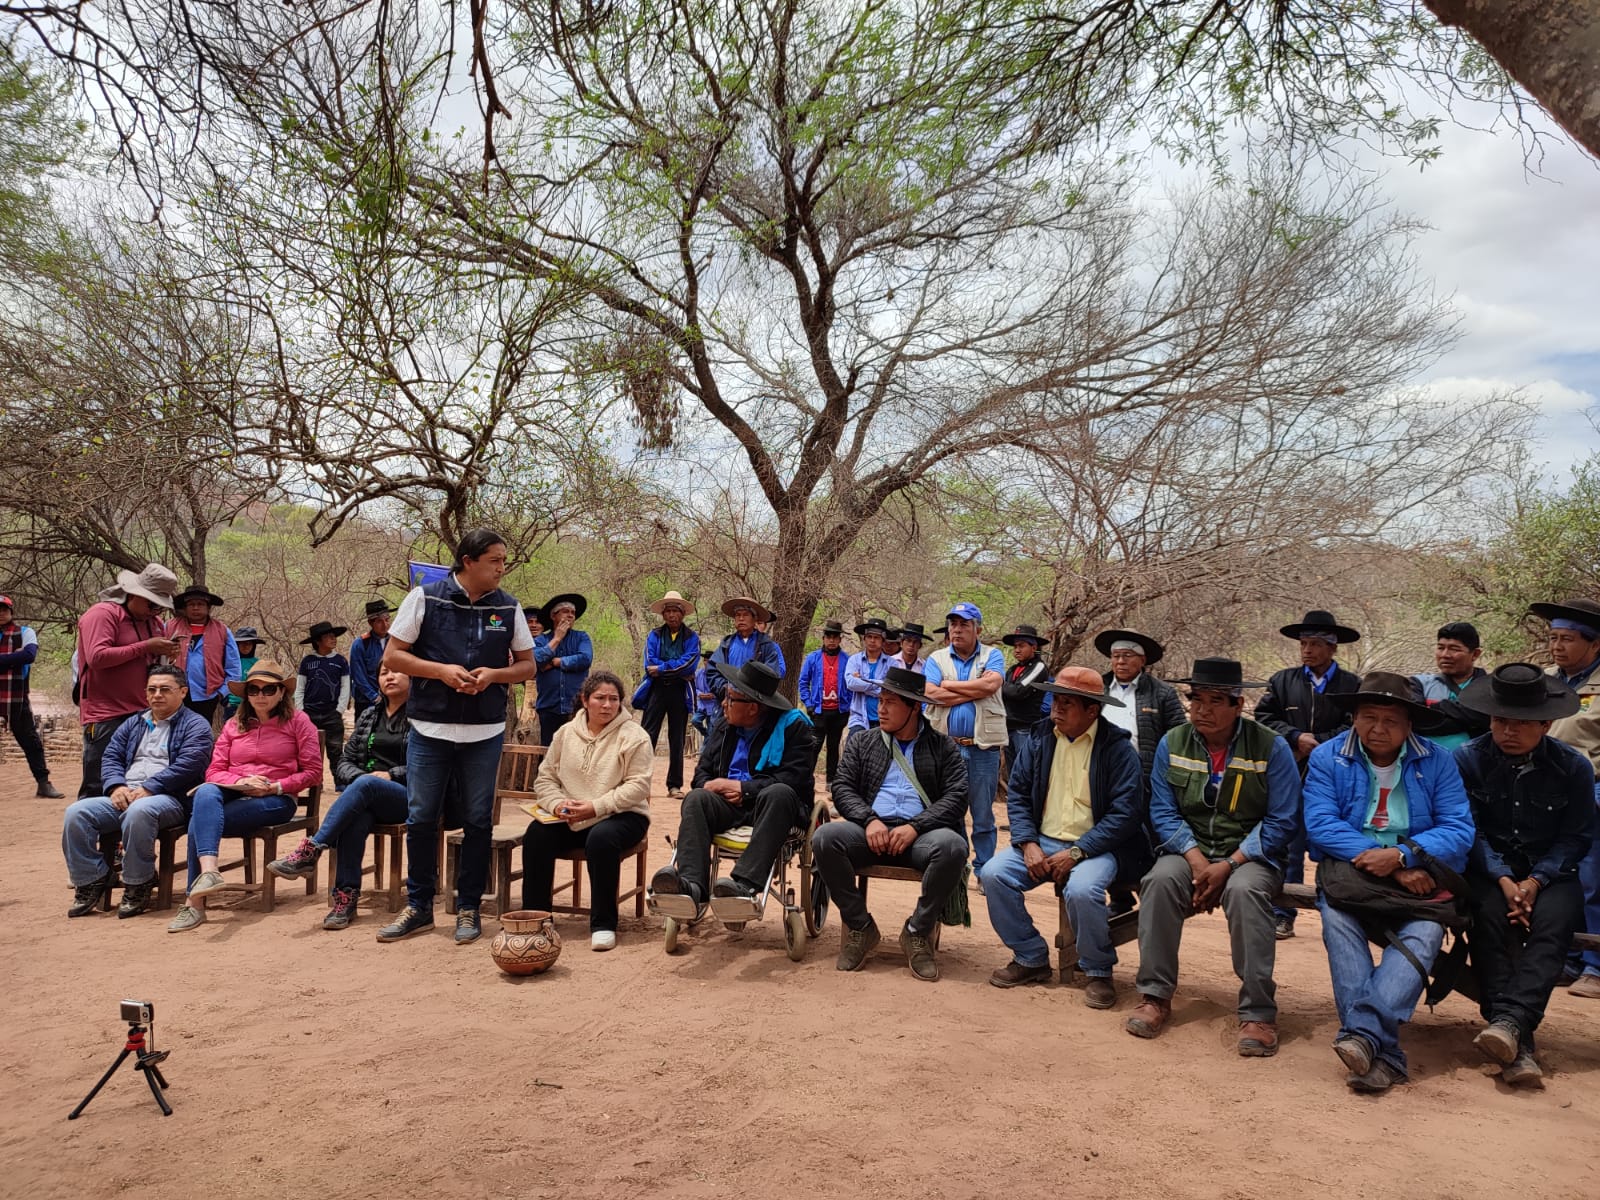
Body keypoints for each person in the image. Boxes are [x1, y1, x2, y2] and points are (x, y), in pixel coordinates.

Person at [1302, 672, 1475, 1092]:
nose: (1378, 729)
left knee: (1427, 930)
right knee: (1339, 922)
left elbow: (1458, 828)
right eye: (1368, 717)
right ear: (1354, 718)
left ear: (1410, 724)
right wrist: (1391, 864)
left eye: (1391, 720)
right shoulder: (1329, 757)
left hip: (1419, 868)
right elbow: (1320, 824)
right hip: (1352, 869)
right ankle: (1385, 1052)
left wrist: (1404, 853)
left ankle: (1363, 1036)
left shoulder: (1436, 760)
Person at [1126, 657, 1301, 1057]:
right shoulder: (1174, 742)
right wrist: (1196, 860)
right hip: (1189, 851)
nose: (1202, 709)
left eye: (1215, 700)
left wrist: (1230, 863)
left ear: (1238, 704)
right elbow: (1163, 811)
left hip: (1251, 858)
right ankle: (1154, 996)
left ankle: (1258, 1012)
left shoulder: (1271, 747)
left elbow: (1283, 819)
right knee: (1158, 881)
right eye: (1196, 699)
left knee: (1244, 893)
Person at [378, 529, 537, 945]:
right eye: (495, 560)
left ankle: (469, 907)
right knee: (421, 817)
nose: (502, 568)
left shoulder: (509, 607)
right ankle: (419, 907)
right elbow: (393, 655)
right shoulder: (425, 598)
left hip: (485, 730)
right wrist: (441, 671)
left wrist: (494, 676)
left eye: (504, 560)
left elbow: (527, 667)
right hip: (430, 727)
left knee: (478, 819)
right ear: (468, 561)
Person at [1455, 663, 1596, 1085]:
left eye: (1521, 724)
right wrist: (1503, 878)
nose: (1508, 731)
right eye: (1500, 721)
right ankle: (1518, 1040)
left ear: (1546, 723)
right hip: (1490, 872)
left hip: (1552, 873)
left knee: (1553, 927)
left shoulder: (1573, 767)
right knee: (1489, 922)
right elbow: (1469, 831)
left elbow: (1576, 837)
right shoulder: (1467, 759)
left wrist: (1535, 882)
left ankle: (1510, 1027)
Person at [980, 666, 1146, 1006]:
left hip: (1096, 846)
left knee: (1083, 891)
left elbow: (1125, 814)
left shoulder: (1117, 748)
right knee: (994, 875)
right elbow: (1020, 795)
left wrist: (1078, 852)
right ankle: (1030, 957)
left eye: (1067, 703)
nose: (1056, 709)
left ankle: (1097, 970)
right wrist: (1027, 843)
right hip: (1042, 841)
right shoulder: (1040, 738)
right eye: (1055, 699)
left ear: (1092, 710)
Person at [814, 666, 968, 981]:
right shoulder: (863, 742)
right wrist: (869, 820)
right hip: (869, 833)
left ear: (915, 707)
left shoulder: (943, 747)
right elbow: (842, 788)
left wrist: (916, 826)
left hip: (920, 839)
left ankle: (917, 931)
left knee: (953, 847)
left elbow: (956, 797)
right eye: (879, 700)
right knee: (825, 837)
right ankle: (860, 926)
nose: (880, 709)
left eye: (890, 702)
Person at [168, 660, 323, 933]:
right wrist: (240, 780)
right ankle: (209, 874)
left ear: (281, 692)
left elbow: (313, 772)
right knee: (205, 792)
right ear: (246, 694)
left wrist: (274, 786)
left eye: (268, 689)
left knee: (198, 823)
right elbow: (214, 771)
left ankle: (195, 903)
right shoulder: (233, 724)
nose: (260, 696)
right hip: (233, 795)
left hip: (276, 800)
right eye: (253, 690)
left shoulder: (299, 722)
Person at [649, 661, 814, 911]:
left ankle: (743, 886)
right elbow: (702, 773)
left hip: (772, 809)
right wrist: (713, 786)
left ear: (753, 708)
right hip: (728, 806)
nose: (723, 703)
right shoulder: (725, 726)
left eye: (731, 698)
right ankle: (692, 888)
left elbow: (794, 778)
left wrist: (744, 789)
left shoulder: (793, 727)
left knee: (779, 793)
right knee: (696, 798)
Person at [267, 663, 413, 930]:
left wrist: (391, 775)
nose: (389, 677)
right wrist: (362, 779)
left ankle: (313, 848)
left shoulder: (422, 716)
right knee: (355, 817)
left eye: (396, 671)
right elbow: (345, 760)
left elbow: (427, 764)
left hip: (409, 797)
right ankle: (345, 899)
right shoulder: (370, 714)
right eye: (383, 673)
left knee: (365, 789)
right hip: (368, 794)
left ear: (412, 676)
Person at [60, 665, 213, 918]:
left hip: (170, 799)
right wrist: (116, 786)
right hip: (126, 794)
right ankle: (92, 879)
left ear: (183, 692)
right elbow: (111, 757)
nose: (157, 695)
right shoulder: (134, 723)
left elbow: (190, 764)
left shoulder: (196, 725)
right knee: (77, 813)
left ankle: (138, 882)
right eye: (152, 690)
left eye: (165, 689)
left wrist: (150, 787)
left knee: (140, 812)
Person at [522, 671, 653, 950]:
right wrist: (558, 804)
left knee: (602, 839)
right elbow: (545, 778)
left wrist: (596, 807)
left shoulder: (635, 736)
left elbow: (638, 787)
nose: (607, 705)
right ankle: (537, 918)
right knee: (536, 835)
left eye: (614, 699)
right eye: (600, 698)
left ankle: (604, 924)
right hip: (571, 815)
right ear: (585, 700)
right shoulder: (565, 733)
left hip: (623, 815)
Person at [1255, 608, 1362, 939]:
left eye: (1315, 644)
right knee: (1289, 842)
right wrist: (1294, 737)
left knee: (1333, 839)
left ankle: (1342, 911)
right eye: (1304, 643)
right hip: (1289, 771)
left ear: (1332, 647)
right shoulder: (1282, 680)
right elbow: (1262, 717)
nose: (1307, 650)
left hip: (1335, 773)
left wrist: (1321, 744)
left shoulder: (1351, 684)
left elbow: (1355, 724)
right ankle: (1283, 913)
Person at [1527, 597, 1600, 1001]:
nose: (1557, 646)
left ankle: (1596, 965)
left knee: (1593, 880)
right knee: (1560, 877)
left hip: (1592, 797)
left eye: (1567, 639)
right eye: (1553, 637)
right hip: (1546, 796)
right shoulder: (1546, 681)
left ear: (1594, 644)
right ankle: (1568, 958)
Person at [76, 563, 180, 798]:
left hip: (142, 713)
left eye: (159, 606)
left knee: (134, 782)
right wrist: (145, 646)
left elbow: (151, 665)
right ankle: (88, 830)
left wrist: (166, 656)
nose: (154, 611)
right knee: (99, 784)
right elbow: (97, 657)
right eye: (151, 603)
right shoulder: (102, 614)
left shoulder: (153, 623)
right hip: (106, 714)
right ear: (135, 593)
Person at [923, 602, 1007, 880]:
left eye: (964, 624)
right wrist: (974, 690)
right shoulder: (936, 658)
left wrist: (948, 685)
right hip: (946, 748)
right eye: (953, 624)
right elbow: (931, 694)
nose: (957, 630)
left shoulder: (993, 655)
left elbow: (991, 686)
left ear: (977, 629)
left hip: (983, 749)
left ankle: (984, 871)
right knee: (950, 810)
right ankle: (957, 869)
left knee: (982, 814)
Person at [636, 590, 701, 799]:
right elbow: (649, 664)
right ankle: (639, 782)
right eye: (669, 611)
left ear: (682, 614)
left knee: (677, 737)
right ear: (663, 614)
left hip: (679, 691)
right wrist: (674, 668)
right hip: (657, 689)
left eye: (676, 611)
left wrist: (662, 668)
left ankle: (674, 785)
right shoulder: (654, 635)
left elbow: (690, 664)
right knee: (647, 735)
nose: (672, 615)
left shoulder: (692, 637)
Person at [0, 593, 62, 797]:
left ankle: (43, 783)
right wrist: (12, 658)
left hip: (15, 696)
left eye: (4, 610)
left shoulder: (26, 632)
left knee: (30, 740)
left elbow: (29, 655)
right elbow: (21, 656)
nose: (1, 614)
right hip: (9, 690)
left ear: (11, 612)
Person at [163, 585, 241, 725]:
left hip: (207, 696)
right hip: (173, 693)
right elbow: (155, 657)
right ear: (185, 607)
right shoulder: (170, 627)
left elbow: (234, 668)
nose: (196, 608)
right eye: (191, 604)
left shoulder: (222, 631)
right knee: (172, 732)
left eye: (200, 604)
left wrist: (222, 692)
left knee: (200, 735)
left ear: (208, 607)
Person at [1413, 621, 1491, 752]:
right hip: (1424, 766)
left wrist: (1434, 709)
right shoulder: (1419, 684)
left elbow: (1486, 719)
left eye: (1455, 649)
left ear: (1475, 654)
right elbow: (1414, 721)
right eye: (1440, 648)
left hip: (1474, 768)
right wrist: (1470, 721)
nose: (1445, 655)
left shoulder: (1490, 687)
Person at [533, 593, 593, 745]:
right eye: (566, 611)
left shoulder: (582, 637)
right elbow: (537, 659)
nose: (570, 615)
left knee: (576, 751)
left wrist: (556, 662)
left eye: (573, 613)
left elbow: (585, 659)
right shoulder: (540, 640)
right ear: (554, 616)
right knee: (548, 752)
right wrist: (557, 638)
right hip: (548, 706)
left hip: (576, 707)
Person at [798, 619, 852, 786]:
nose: (831, 640)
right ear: (823, 638)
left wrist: (847, 706)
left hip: (839, 712)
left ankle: (831, 781)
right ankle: (807, 780)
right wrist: (809, 704)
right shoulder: (813, 658)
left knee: (834, 747)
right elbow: (803, 682)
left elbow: (851, 685)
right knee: (813, 746)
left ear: (840, 639)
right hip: (818, 712)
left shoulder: (847, 660)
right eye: (828, 636)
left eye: (835, 636)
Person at [998, 623, 1052, 785]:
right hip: (1008, 728)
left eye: (1021, 646)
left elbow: (1018, 692)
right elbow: (1006, 694)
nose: (1017, 650)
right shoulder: (1012, 669)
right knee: (1013, 771)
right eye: (1015, 646)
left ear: (1033, 646)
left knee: (1026, 771)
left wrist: (998, 682)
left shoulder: (1039, 667)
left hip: (1025, 728)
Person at [295, 620, 350, 778]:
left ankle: (339, 782)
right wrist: (301, 712)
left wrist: (340, 709)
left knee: (335, 750)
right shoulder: (308, 662)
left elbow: (345, 686)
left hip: (332, 712)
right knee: (309, 749)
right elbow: (300, 688)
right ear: (318, 641)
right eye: (329, 636)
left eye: (334, 636)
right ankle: (312, 781)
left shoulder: (340, 661)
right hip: (309, 713)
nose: (334, 639)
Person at [706, 597, 785, 699]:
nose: (741, 618)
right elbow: (712, 669)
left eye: (746, 615)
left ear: (755, 619)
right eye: (738, 615)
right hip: (728, 700)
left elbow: (772, 674)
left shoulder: (766, 645)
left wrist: (751, 693)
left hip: (755, 702)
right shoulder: (726, 644)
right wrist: (724, 689)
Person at [844, 617, 893, 732]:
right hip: (859, 718)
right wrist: (880, 683)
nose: (872, 640)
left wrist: (862, 682)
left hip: (884, 719)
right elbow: (850, 684)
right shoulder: (854, 660)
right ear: (864, 639)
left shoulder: (892, 663)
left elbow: (890, 690)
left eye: (876, 638)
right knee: (852, 748)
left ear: (883, 641)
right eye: (869, 637)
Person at [349, 599, 394, 721]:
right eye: (379, 621)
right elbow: (358, 675)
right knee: (365, 736)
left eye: (387, 620)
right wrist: (374, 697)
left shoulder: (396, 642)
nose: (385, 625)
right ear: (370, 623)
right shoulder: (360, 644)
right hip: (366, 701)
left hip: (392, 699)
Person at [225, 626, 263, 717]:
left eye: (249, 643)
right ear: (237, 644)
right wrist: (225, 699)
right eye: (242, 643)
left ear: (253, 645)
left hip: (253, 705)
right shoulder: (229, 661)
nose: (246, 646)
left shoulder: (258, 664)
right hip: (232, 705)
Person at [691, 648, 719, 736]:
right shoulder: (698, 673)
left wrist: (713, 695)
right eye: (705, 660)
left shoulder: (717, 675)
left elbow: (721, 688)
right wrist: (699, 694)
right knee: (695, 720)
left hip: (713, 706)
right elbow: (693, 687)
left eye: (708, 661)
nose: (706, 663)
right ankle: (706, 735)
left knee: (711, 727)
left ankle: (706, 744)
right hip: (702, 705)